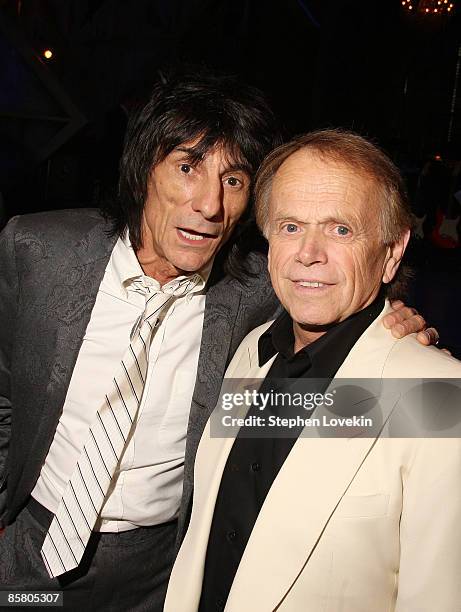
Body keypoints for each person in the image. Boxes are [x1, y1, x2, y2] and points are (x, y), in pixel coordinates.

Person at [0, 75, 431, 611]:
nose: (209, 203)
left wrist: (397, 326)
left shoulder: (255, 294)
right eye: (188, 167)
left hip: (156, 573)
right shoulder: (39, 250)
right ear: (142, 172)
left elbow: (338, 295)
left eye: (234, 179)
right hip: (31, 558)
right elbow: (4, 390)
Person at [164, 129, 461, 612]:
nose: (308, 253)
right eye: (290, 226)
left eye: (340, 229)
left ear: (391, 252)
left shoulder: (436, 394)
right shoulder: (251, 352)